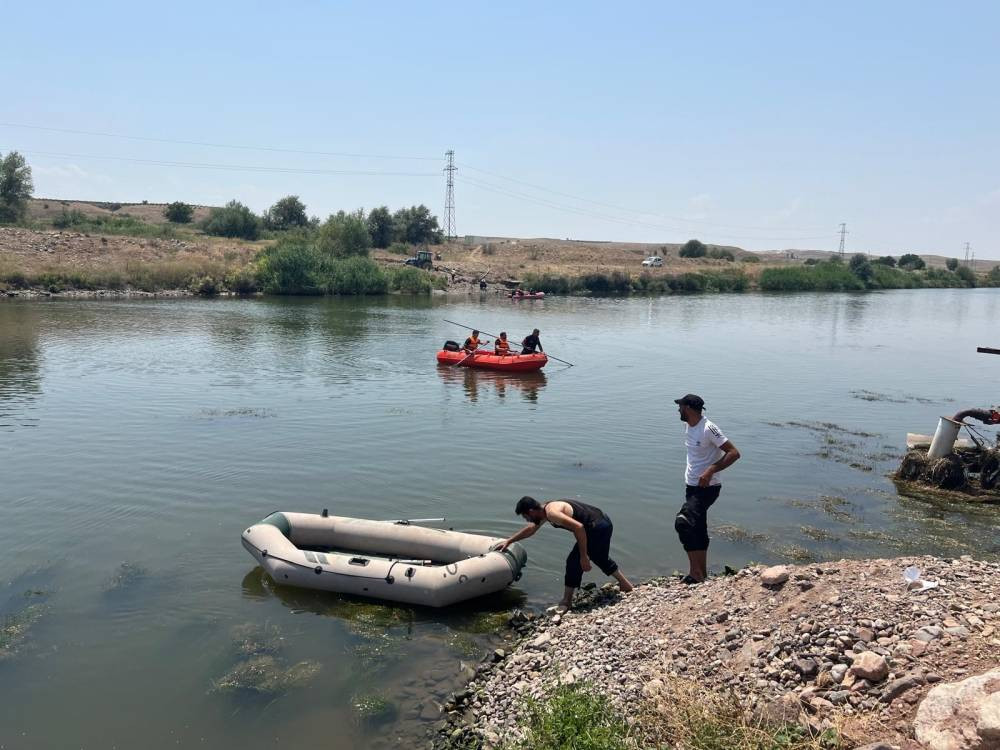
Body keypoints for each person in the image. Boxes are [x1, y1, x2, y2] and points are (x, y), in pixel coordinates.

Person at [497, 496, 633, 611]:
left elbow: (579, 528)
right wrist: (510, 540)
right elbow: (531, 529)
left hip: (595, 527)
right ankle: (626, 585)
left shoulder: (552, 513)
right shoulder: (545, 510)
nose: (527, 520)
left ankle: (566, 601)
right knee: (599, 557)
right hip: (603, 521)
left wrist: (584, 556)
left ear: (531, 511)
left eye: (526, 516)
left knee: (574, 561)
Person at [673, 394, 740, 584]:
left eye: (681, 406)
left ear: (689, 409)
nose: (678, 410)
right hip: (692, 487)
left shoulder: (709, 428)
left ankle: (695, 573)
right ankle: (702, 575)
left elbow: (734, 453)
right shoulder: (688, 426)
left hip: (707, 488)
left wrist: (711, 470)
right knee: (698, 528)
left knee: (683, 523)